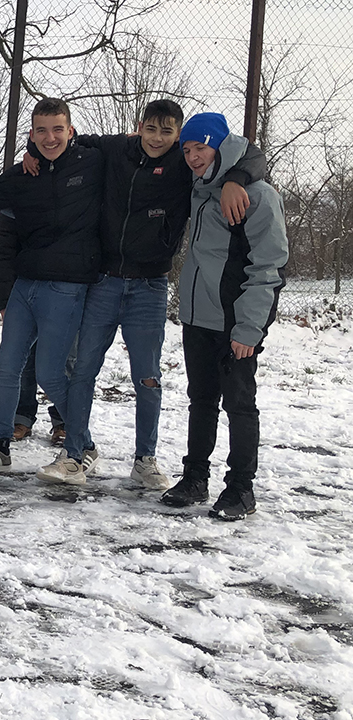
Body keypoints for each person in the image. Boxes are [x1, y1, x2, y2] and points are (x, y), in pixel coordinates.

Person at [29, 100, 266, 489]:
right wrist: (31, 149)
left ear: (177, 134)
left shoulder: (185, 165)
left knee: (147, 377)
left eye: (168, 132)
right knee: (84, 368)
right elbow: (66, 140)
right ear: (139, 127)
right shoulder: (114, 150)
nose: (158, 138)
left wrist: (236, 178)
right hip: (104, 282)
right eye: (151, 129)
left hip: (150, 287)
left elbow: (250, 154)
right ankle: (74, 455)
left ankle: (145, 459)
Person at [0, 98, 103, 479]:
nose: (50, 137)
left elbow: (129, 154)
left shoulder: (92, 164)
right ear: (31, 134)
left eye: (58, 129)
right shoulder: (23, 176)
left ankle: (83, 442)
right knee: (7, 366)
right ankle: (0, 445)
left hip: (68, 286)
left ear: (71, 131)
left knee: (51, 373)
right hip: (26, 285)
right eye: (41, 130)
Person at [160, 113, 287, 520]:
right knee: (201, 399)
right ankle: (195, 477)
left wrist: (249, 328)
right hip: (198, 318)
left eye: (201, 148)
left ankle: (240, 489)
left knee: (240, 404)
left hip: (235, 321)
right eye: (188, 150)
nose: (194, 157)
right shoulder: (200, 187)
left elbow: (268, 267)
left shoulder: (258, 195)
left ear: (220, 146)